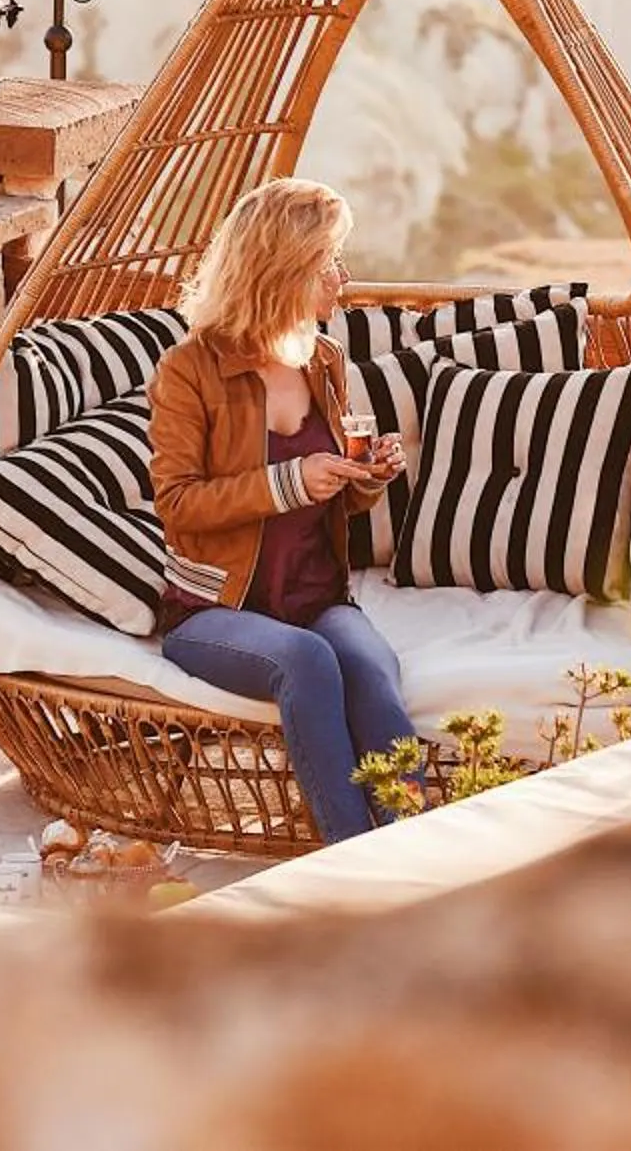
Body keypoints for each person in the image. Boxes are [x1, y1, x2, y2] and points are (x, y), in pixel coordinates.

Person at [146, 178, 414, 842]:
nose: (342, 278)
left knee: (374, 671)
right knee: (307, 662)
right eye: (328, 263)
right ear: (282, 272)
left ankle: (419, 847)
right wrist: (291, 480)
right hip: (217, 612)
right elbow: (177, 504)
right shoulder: (190, 371)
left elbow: (339, 503)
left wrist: (369, 475)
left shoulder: (324, 358)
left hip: (318, 598)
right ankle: (353, 863)